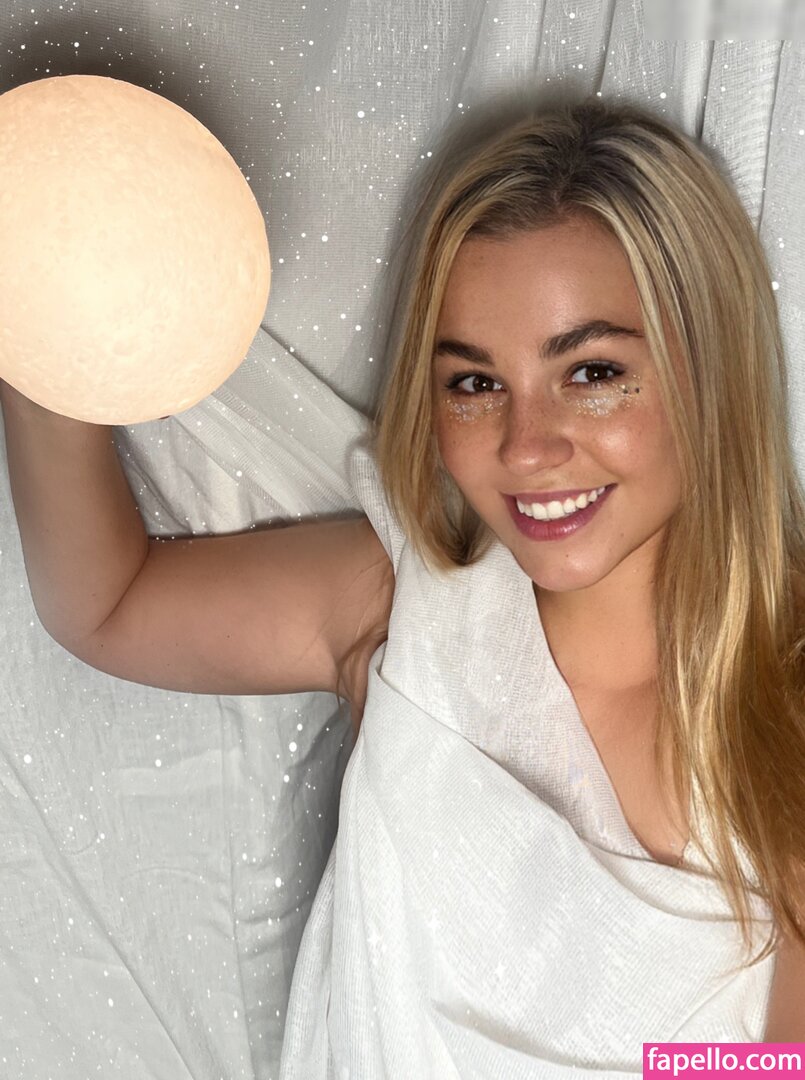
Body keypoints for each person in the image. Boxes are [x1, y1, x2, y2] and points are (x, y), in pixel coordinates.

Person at [2, 97, 804, 1073]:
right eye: (474, 383)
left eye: (592, 373)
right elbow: (106, 601)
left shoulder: (786, 711)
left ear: (708, 369)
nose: (526, 446)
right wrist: (43, 289)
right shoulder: (406, 612)